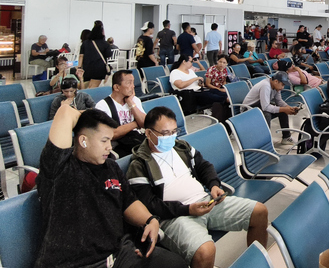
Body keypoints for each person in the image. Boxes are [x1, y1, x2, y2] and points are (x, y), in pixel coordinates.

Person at [35, 105, 186, 268]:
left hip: (117, 254)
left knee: (176, 264)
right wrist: (89, 117)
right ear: (83, 140)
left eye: (110, 140)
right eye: (104, 140)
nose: (110, 146)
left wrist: (150, 220)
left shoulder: (111, 167)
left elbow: (128, 201)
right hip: (75, 262)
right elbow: (65, 112)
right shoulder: (58, 169)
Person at [127, 106, 269, 268]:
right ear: (148, 133)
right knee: (206, 251)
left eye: (174, 132)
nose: (171, 137)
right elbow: (150, 204)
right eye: (165, 133)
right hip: (174, 217)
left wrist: (214, 185)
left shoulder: (181, 147)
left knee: (259, 212)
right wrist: (188, 209)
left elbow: (204, 166)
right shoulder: (140, 164)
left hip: (206, 202)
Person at [95, 70, 147, 157]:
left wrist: (130, 103)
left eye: (133, 82)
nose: (133, 86)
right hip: (117, 146)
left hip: (136, 140)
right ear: (116, 87)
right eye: (129, 83)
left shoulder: (135, 100)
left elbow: (145, 123)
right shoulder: (103, 105)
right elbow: (111, 134)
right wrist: (135, 124)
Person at [243, 72, 300, 145]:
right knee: (267, 114)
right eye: (282, 85)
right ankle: (265, 142)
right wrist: (284, 109)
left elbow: (279, 101)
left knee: (282, 111)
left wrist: (289, 108)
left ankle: (286, 138)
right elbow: (265, 107)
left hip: (260, 104)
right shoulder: (265, 86)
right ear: (276, 81)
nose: (283, 87)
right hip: (248, 109)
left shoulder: (275, 86)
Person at [80, 22, 112, 88]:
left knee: (87, 85)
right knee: (94, 87)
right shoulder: (105, 44)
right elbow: (108, 55)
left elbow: (81, 56)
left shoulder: (85, 43)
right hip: (99, 69)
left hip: (87, 68)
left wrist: (79, 67)